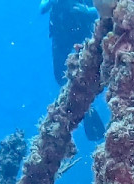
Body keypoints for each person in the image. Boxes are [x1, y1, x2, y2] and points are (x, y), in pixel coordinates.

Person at [39, 0, 105, 141]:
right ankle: (84, 106)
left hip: (81, 30)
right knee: (60, 76)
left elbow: (103, 8)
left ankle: (87, 104)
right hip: (61, 33)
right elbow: (42, 8)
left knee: (89, 70)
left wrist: (86, 11)